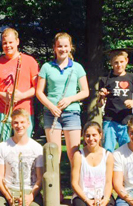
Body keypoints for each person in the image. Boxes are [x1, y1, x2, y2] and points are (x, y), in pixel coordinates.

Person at [0, 109, 45, 206]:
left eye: (22, 122)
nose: (19, 125)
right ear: (12, 124)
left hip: (30, 192)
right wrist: (9, 198)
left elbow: (40, 178)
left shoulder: (37, 148)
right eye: (15, 122)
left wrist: (31, 197)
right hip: (8, 192)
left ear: (28, 123)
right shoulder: (3, 147)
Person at [36, 32, 89, 165]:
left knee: (74, 154)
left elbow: (85, 91)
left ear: (70, 47)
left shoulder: (77, 67)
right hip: (51, 113)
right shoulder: (46, 67)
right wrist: (51, 107)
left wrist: (70, 99)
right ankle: (54, 186)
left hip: (72, 112)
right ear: (54, 47)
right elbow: (39, 92)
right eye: (59, 46)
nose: (63, 49)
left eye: (66, 46)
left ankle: (75, 185)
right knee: (54, 155)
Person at [0, 28, 39, 144]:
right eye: (5, 43)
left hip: (24, 110)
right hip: (1, 110)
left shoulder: (30, 61)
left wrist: (22, 95)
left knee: (24, 146)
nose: (8, 45)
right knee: (2, 146)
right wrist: (2, 95)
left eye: (10, 42)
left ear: (17, 41)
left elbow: (37, 88)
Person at [71, 121, 119, 206]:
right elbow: (74, 183)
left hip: (103, 196)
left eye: (94, 135)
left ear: (100, 135)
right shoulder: (78, 155)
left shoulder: (107, 155)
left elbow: (109, 182)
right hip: (83, 196)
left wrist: (105, 201)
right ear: (83, 137)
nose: (91, 138)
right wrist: (87, 201)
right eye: (87, 136)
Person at [97, 49, 133, 153]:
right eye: (116, 62)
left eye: (121, 62)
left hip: (126, 121)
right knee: (108, 150)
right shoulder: (105, 78)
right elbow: (99, 104)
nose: (119, 65)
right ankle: (109, 169)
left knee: (128, 150)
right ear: (111, 63)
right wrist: (101, 96)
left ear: (126, 61)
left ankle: (126, 169)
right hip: (110, 120)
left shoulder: (132, 78)